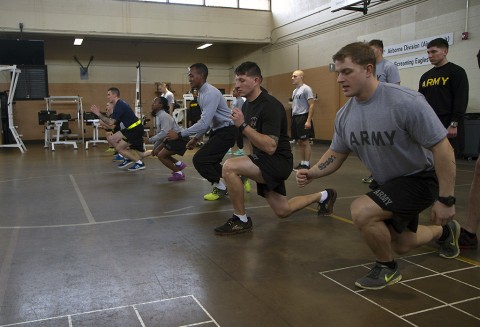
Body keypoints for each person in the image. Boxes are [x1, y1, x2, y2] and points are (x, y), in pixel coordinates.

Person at [296, 42, 460, 290]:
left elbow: (443, 148)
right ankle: (444, 232)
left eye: (347, 71)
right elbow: (337, 152)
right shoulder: (345, 115)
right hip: (389, 183)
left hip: (420, 178)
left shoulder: (406, 102)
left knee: (363, 210)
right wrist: (313, 171)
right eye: (338, 72)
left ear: (369, 69)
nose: (340, 79)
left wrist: (446, 199)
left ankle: (387, 268)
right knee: (403, 243)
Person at [214, 61, 337, 236]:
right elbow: (252, 141)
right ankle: (324, 195)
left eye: (242, 80)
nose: (237, 85)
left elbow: (271, 147)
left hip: (277, 162)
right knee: (283, 210)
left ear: (256, 80)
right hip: (262, 159)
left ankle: (240, 220)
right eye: (236, 80)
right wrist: (249, 160)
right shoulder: (248, 105)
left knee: (229, 166)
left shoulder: (270, 106)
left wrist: (242, 126)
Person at [166, 63, 236, 200]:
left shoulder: (210, 93)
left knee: (200, 160)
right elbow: (208, 121)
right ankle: (238, 175)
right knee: (211, 162)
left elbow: (203, 123)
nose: (189, 79)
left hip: (228, 130)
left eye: (192, 75)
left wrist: (180, 134)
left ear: (201, 76)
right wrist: (196, 138)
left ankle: (221, 188)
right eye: (189, 76)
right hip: (219, 130)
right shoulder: (201, 94)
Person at [418, 37, 469, 158]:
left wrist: (454, 124)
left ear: (445, 51)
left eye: (434, 52)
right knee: (430, 161)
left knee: (448, 159)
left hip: (448, 125)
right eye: (428, 52)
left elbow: (461, 99)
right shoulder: (425, 76)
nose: (430, 55)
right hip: (431, 125)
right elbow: (420, 102)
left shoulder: (457, 72)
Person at [361, 39, 401, 183]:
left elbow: (395, 90)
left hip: (385, 110)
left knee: (386, 143)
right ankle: (376, 173)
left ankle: (391, 173)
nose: (369, 53)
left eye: (372, 50)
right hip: (370, 110)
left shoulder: (389, 67)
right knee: (372, 144)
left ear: (380, 49)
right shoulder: (368, 68)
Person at [91, 87, 147, 171]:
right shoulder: (118, 105)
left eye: (109, 95)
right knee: (111, 138)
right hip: (130, 128)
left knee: (119, 149)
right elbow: (112, 123)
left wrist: (98, 114)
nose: (107, 97)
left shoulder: (120, 105)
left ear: (115, 95)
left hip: (135, 129)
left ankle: (139, 163)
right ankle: (128, 156)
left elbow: (110, 123)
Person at [144, 96, 188, 181]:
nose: (152, 104)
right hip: (171, 138)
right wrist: (154, 148)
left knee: (161, 155)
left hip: (180, 138)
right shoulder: (159, 116)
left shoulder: (163, 116)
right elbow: (162, 135)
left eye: (155, 102)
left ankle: (179, 173)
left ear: (161, 105)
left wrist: (150, 140)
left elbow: (164, 133)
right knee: (157, 152)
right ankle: (179, 164)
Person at [291, 70, 315, 170]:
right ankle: (302, 163)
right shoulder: (295, 91)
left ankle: (307, 164)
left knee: (305, 141)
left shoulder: (306, 89)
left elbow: (312, 104)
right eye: (292, 76)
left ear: (301, 77)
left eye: (294, 76)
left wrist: (308, 120)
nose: (292, 78)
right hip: (295, 117)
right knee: (299, 142)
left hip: (303, 116)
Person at [227, 87, 246, 156]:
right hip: (233, 120)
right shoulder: (236, 100)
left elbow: (239, 111)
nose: (233, 93)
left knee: (239, 135)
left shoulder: (240, 100)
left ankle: (241, 150)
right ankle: (229, 149)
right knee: (233, 135)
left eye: (234, 91)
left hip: (237, 121)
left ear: (238, 92)